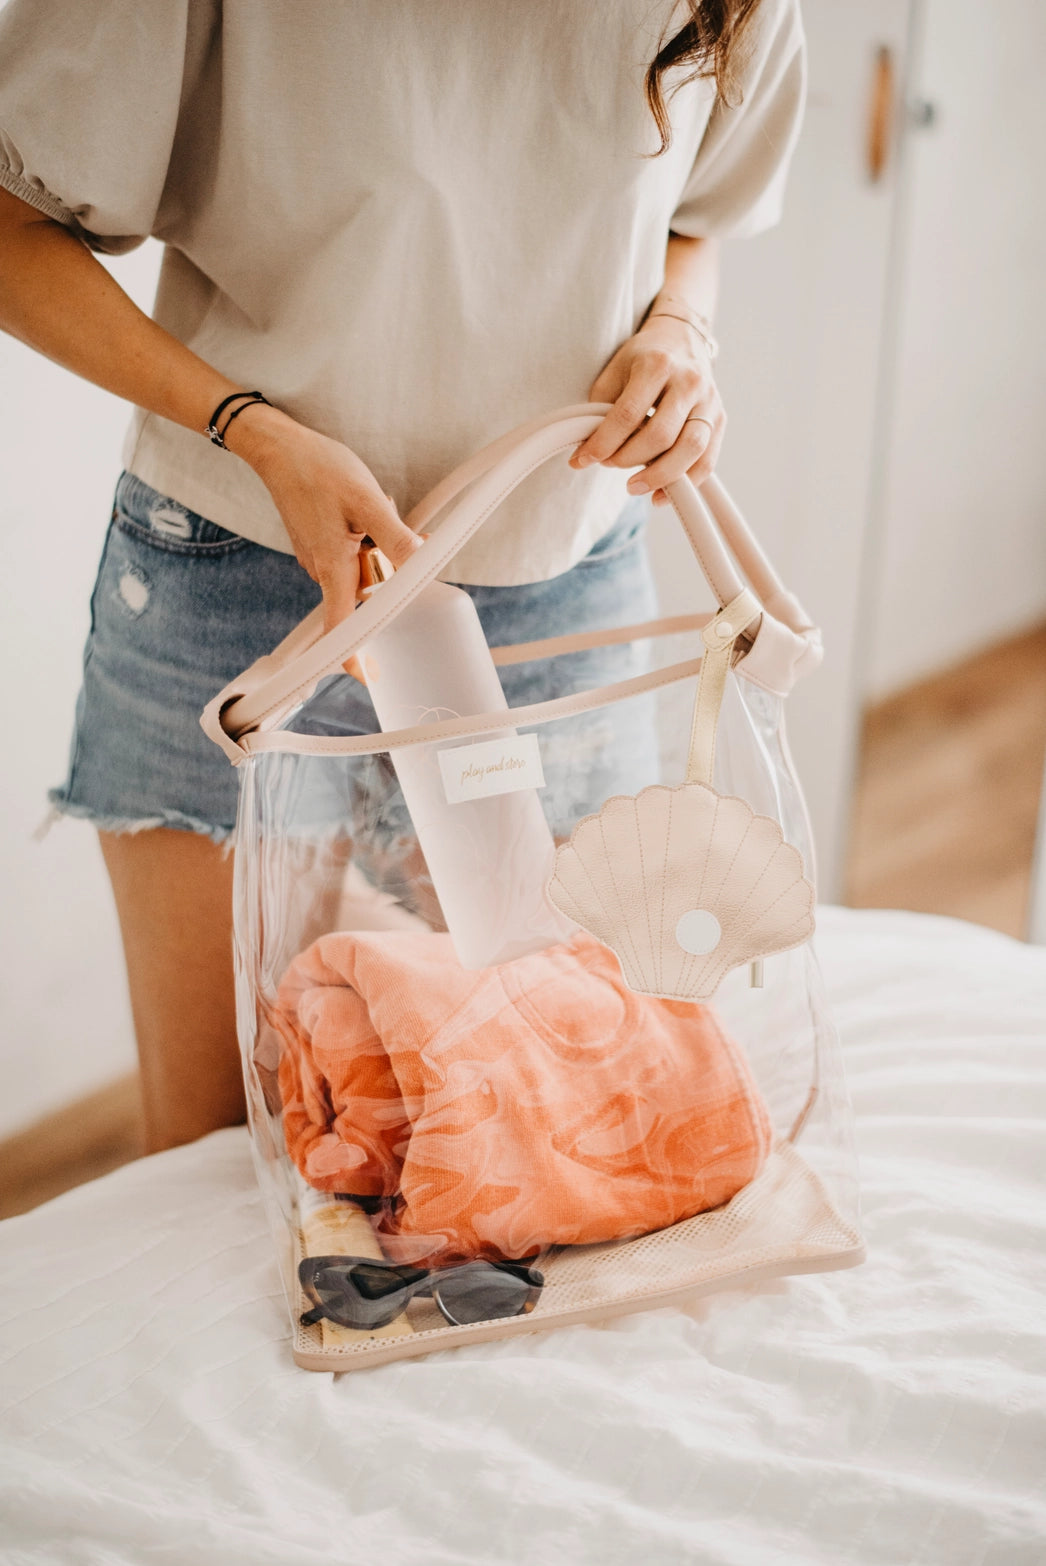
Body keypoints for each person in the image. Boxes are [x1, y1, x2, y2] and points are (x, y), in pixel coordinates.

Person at [0, 1, 805, 1155]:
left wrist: (680, 329)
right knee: (218, 1153)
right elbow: (11, 224)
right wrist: (254, 430)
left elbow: (693, 217)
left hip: (559, 577)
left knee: (554, 1122)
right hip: (237, 572)